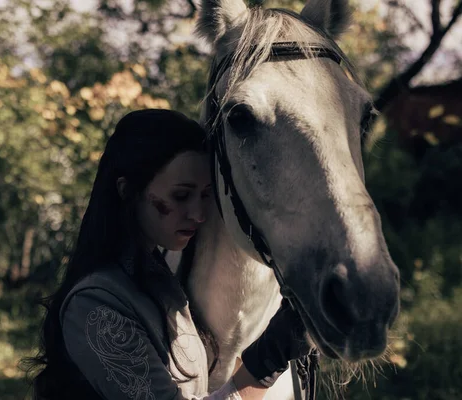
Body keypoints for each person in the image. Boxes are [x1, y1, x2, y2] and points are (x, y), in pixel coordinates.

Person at [24, 109, 311, 399]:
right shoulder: (95, 306)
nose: (199, 214)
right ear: (127, 191)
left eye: (205, 195)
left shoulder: (159, 281)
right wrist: (269, 358)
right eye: (181, 195)